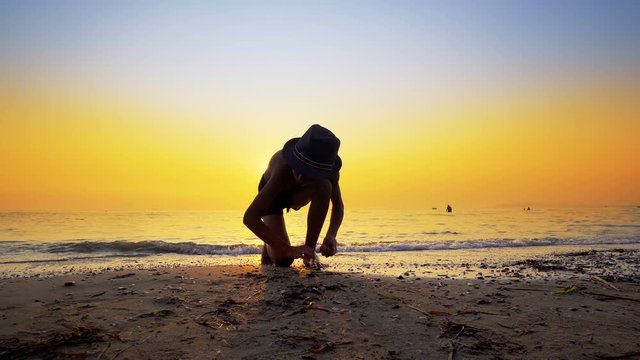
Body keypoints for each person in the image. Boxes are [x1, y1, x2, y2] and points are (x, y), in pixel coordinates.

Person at [243, 124, 344, 267]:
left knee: (325, 186)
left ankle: (309, 252)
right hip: (275, 197)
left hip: (301, 195)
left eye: (309, 172)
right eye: (299, 167)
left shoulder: (330, 174)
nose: (301, 178)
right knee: (283, 260)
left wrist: (331, 234)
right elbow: (249, 217)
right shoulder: (283, 168)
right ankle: (269, 244)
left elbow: (338, 205)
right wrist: (287, 249)